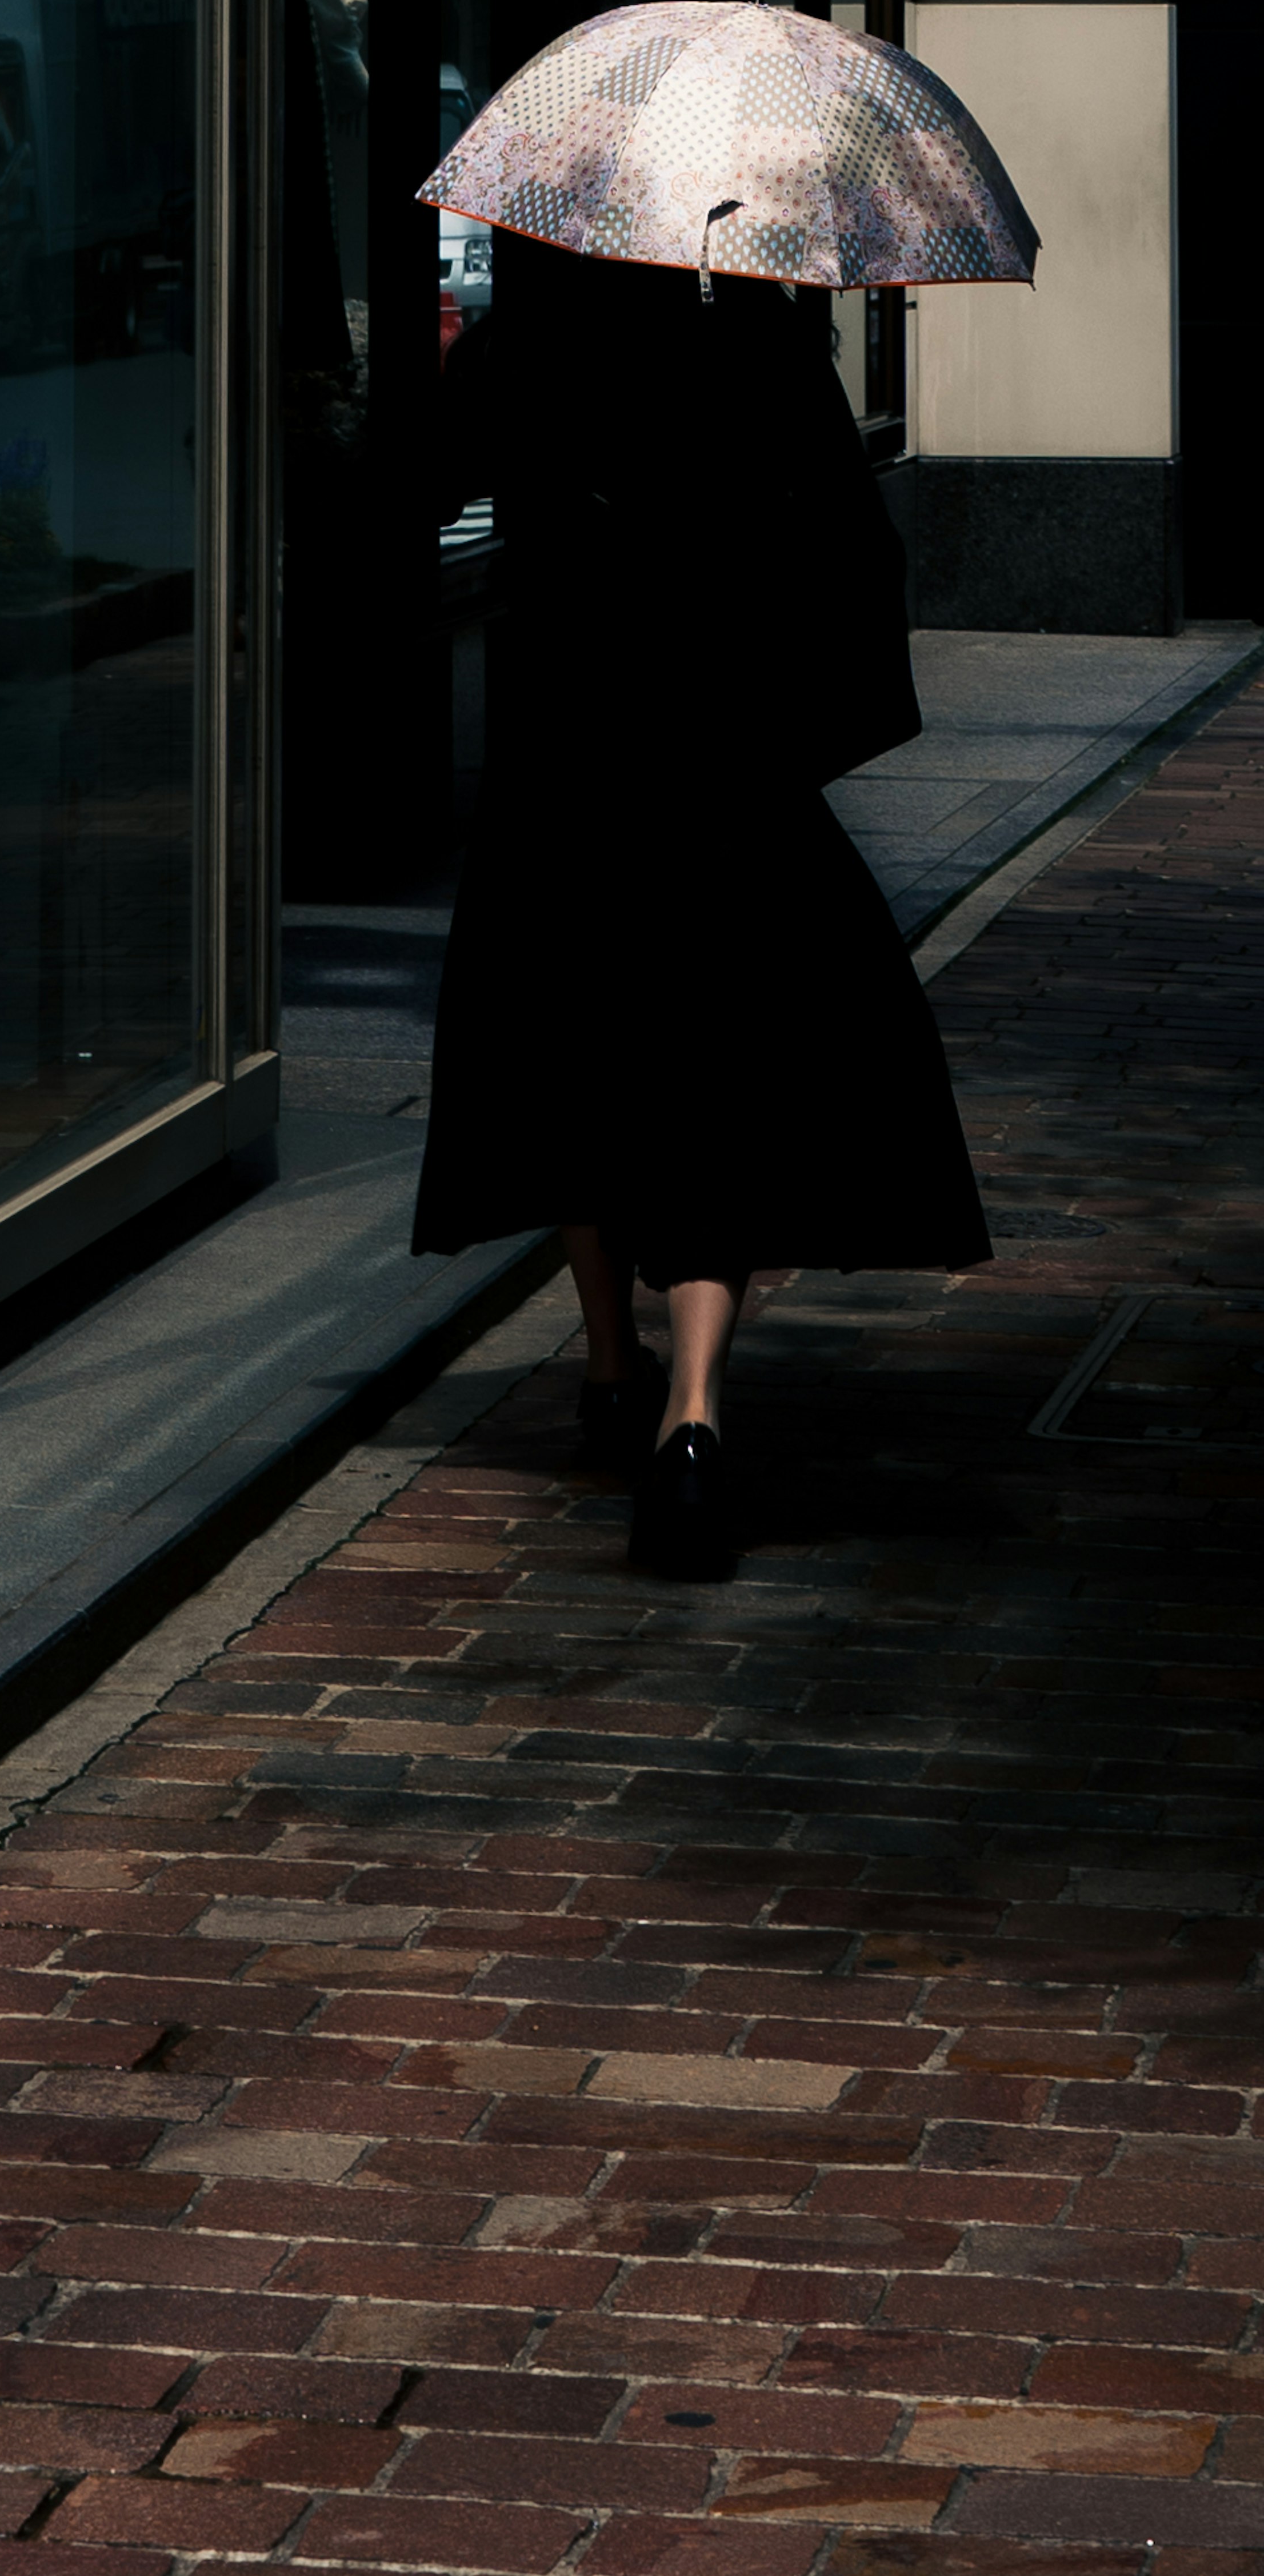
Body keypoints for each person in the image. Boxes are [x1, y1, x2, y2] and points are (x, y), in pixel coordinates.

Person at [412, 240, 990, 1579]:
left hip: (562, 767)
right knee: (711, 1078)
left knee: (566, 1059)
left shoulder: (521, 353)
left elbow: (436, 489)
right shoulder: (769, 348)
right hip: (725, 775)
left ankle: (611, 1365)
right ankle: (692, 1414)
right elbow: (858, 558)